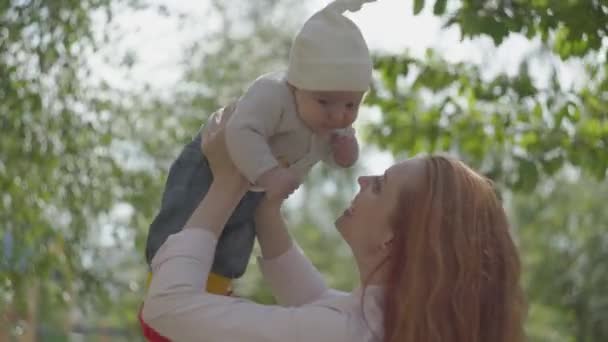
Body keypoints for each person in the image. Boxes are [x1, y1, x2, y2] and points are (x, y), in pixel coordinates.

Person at [141, 107, 527, 342]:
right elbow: (315, 301)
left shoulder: (344, 333)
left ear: (395, 239)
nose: (362, 180)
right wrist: (264, 204)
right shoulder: (382, 324)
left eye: (379, 186)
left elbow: (166, 308)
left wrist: (227, 183)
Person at [143, 0, 377, 296]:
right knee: (184, 219)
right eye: (325, 102)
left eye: (351, 105)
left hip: (255, 188)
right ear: (296, 85)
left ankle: (214, 290)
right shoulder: (273, 94)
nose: (338, 115)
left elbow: (339, 159)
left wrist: (346, 150)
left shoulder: (332, 123)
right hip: (212, 166)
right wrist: (270, 174)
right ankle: (163, 283)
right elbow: (241, 131)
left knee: (238, 238)